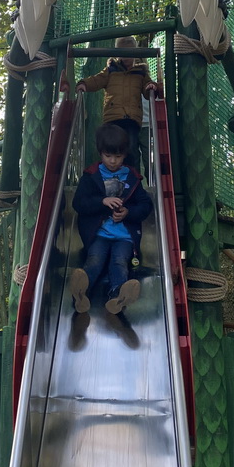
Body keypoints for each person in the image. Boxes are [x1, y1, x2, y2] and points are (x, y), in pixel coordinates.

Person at [71, 123, 153, 316]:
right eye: (108, 156)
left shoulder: (132, 177)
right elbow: (79, 203)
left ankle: (117, 296)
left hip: (124, 236)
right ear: (101, 153)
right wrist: (102, 201)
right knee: (95, 259)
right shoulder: (91, 176)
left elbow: (145, 205)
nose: (113, 161)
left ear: (125, 155)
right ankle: (81, 294)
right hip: (99, 233)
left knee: (119, 261)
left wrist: (127, 212)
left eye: (118, 156)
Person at [75, 36, 156, 169]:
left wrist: (151, 87)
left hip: (131, 119)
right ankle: (111, 177)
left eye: (130, 53)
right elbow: (97, 80)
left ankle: (133, 180)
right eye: (123, 53)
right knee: (112, 148)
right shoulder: (111, 71)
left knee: (131, 150)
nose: (127, 57)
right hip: (113, 118)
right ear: (118, 54)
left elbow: (147, 89)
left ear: (135, 53)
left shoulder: (140, 73)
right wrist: (84, 84)